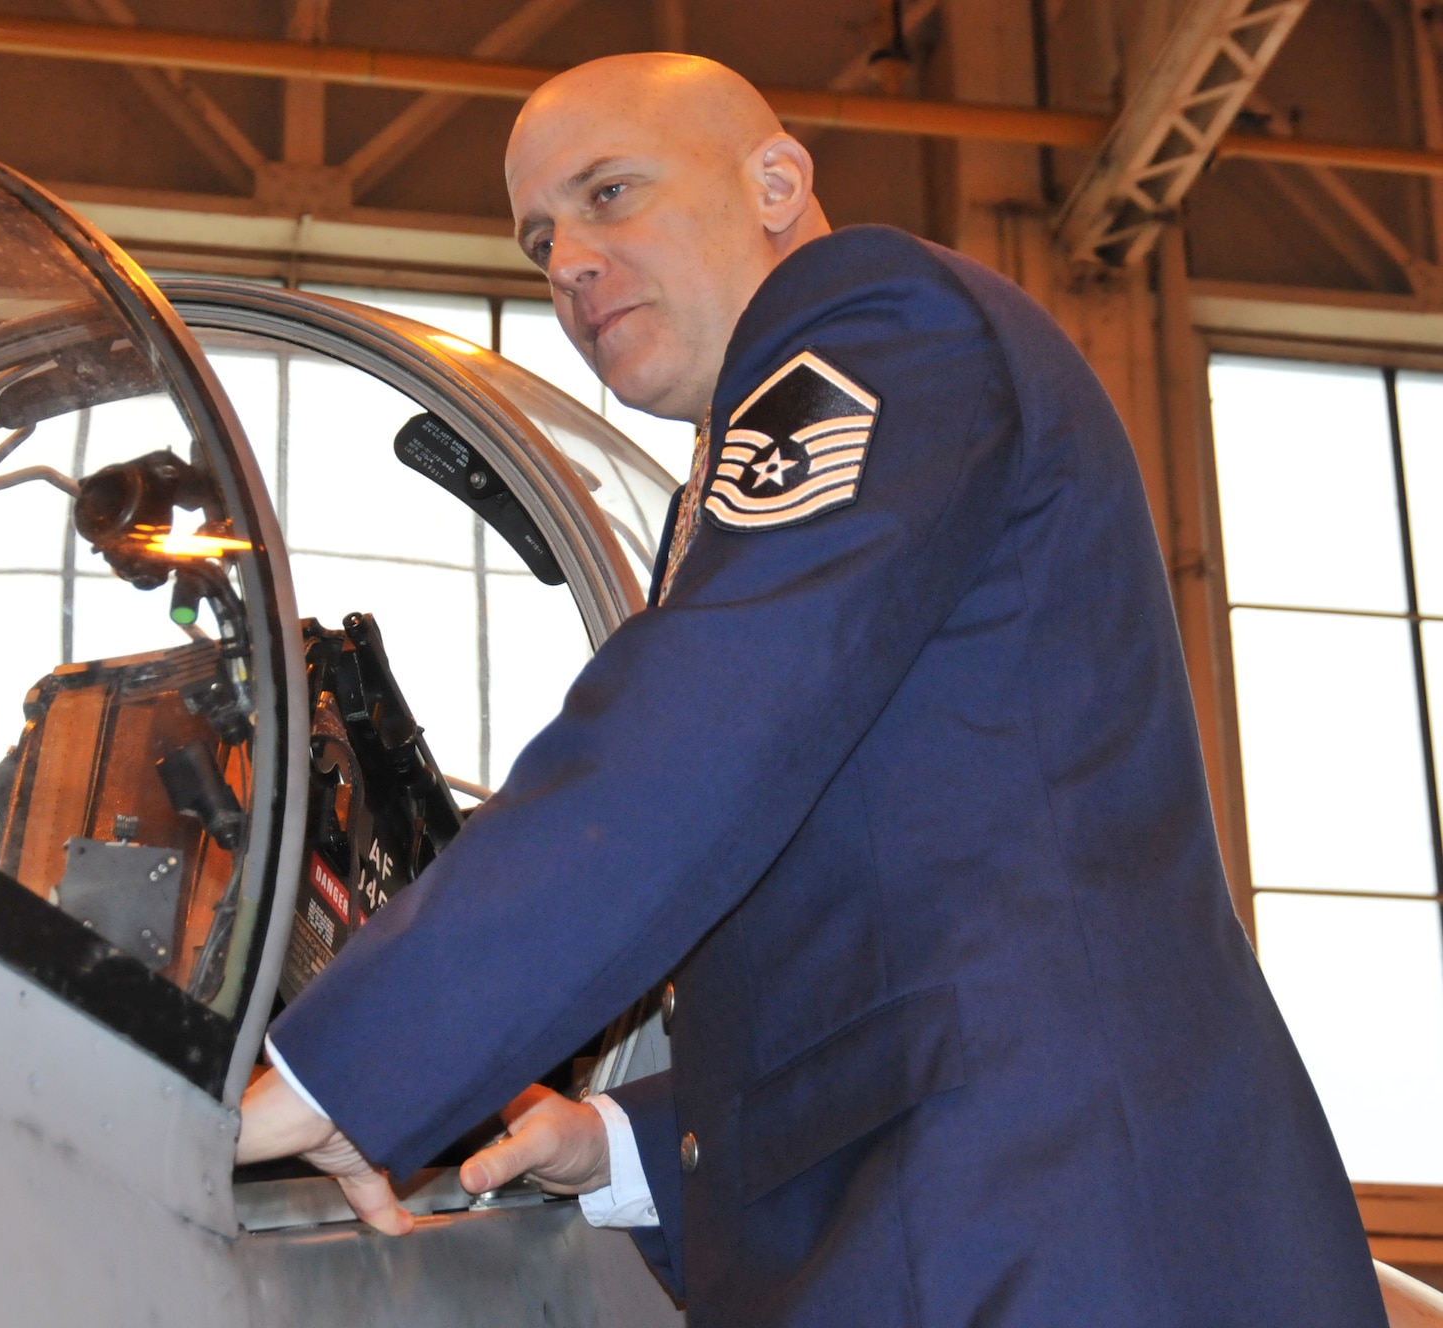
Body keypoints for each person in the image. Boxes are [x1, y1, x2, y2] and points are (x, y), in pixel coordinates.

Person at [238, 52, 1387, 1327]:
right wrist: (623, 1145)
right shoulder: (732, 488)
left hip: (1039, 1221)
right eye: (537, 236)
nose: (564, 261)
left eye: (608, 193)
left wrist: (348, 1057)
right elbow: (884, 916)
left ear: (776, 180)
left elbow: (703, 720)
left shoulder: (873, 320)